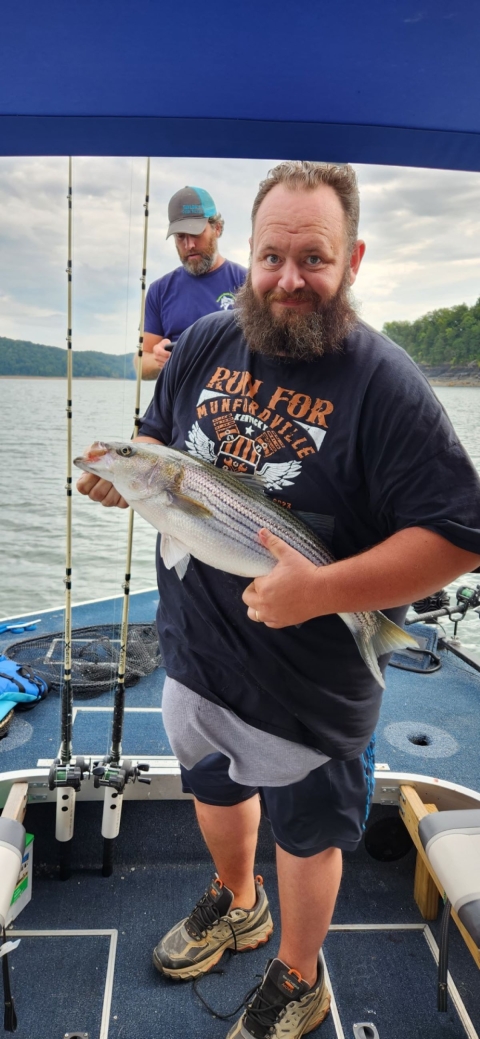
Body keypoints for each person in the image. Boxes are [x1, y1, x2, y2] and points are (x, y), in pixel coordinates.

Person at [78, 160, 480, 1039]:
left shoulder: (387, 383)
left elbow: (458, 534)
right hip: (195, 648)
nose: (289, 279)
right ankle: (238, 898)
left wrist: (325, 592)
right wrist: (127, 477)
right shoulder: (202, 344)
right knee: (213, 787)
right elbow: (159, 440)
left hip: (311, 683)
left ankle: (300, 978)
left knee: (308, 834)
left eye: (314, 258)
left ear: (354, 260)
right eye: (272, 257)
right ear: (247, 257)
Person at [139, 184, 247, 379]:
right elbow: (142, 364)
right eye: (181, 237)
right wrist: (158, 359)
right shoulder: (159, 291)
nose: (189, 245)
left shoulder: (248, 283)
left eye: (196, 234)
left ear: (217, 229)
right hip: (177, 403)